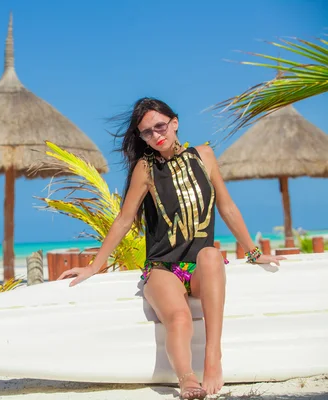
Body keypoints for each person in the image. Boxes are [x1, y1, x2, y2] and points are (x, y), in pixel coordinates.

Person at [57, 98, 285, 399]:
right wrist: (95, 265)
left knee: (211, 254)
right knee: (178, 317)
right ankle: (187, 379)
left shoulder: (204, 155)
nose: (156, 135)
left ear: (174, 123)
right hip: (163, 267)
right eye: (147, 132)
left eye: (160, 127)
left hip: (201, 268)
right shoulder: (146, 168)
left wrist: (254, 253)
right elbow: (125, 219)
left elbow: (227, 206)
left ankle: (212, 357)